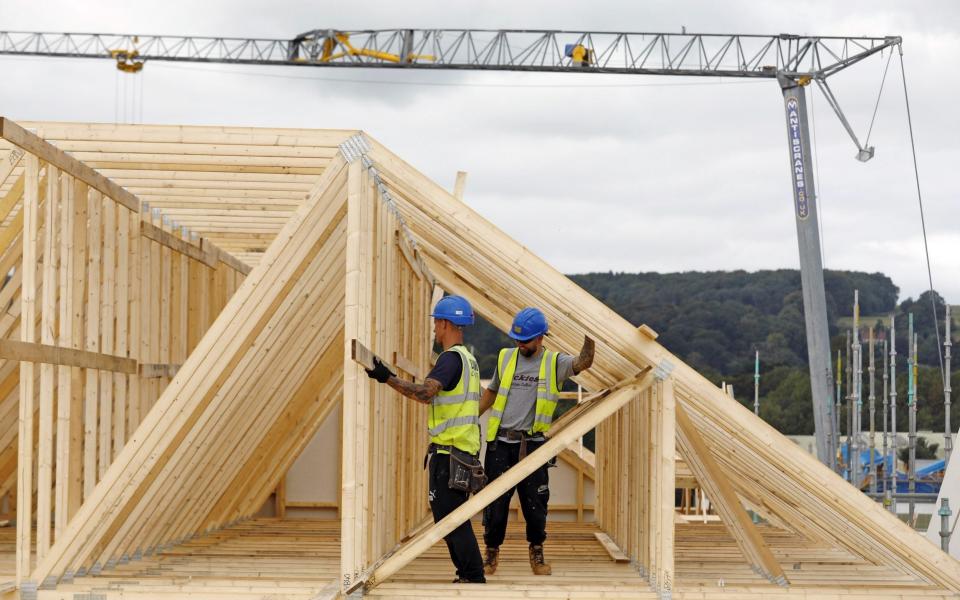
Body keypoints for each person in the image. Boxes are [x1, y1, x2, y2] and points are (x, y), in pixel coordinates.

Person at [365, 295, 486, 584]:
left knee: (450, 518)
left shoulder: (450, 359)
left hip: (450, 454)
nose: (434, 330)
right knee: (451, 517)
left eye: (436, 324)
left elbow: (425, 393)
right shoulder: (469, 360)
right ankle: (468, 575)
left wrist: (387, 378)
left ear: (445, 323)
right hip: (462, 452)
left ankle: (473, 576)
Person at [478, 307, 594, 576]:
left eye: (526, 340)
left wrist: (591, 330)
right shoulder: (506, 357)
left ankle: (537, 553)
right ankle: (491, 553)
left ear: (541, 338)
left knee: (535, 503)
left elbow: (584, 361)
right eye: (517, 339)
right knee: (495, 503)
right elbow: (492, 393)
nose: (520, 344)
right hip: (501, 443)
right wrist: (472, 417)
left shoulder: (554, 363)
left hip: (533, 445)